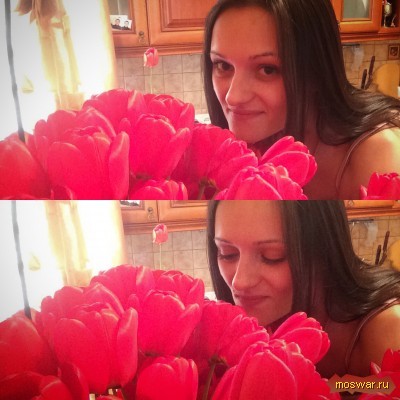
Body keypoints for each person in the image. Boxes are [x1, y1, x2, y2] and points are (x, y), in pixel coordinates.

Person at [203, 0, 400, 199]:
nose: (233, 97)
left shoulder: (379, 156)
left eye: (268, 69)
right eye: (223, 66)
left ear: (317, 70)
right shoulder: (253, 141)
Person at [207, 200, 400, 378]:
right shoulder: (233, 331)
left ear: (325, 250)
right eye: (227, 254)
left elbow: (384, 385)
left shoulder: (387, 331)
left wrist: (327, 387)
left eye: (272, 256)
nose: (240, 283)